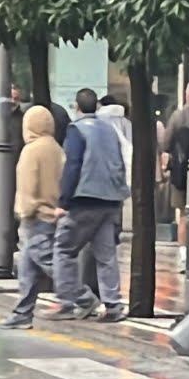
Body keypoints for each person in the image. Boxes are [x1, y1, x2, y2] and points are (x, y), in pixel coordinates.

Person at [48, 88, 131, 322]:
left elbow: (73, 165)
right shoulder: (110, 130)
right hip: (111, 199)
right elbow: (120, 161)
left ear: (76, 106)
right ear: (96, 106)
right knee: (106, 255)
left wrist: (64, 202)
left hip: (85, 199)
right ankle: (113, 305)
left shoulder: (76, 130)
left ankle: (69, 301)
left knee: (64, 249)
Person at [0, 105, 65, 329]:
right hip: (53, 213)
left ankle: (82, 297)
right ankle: (22, 313)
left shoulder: (31, 151)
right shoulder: (57, 149)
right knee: (28, 269)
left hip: (36, 216)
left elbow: (27, 185)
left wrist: (25, 211)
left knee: (50, 262)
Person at [162, 81, 189, 266]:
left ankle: (184, 254)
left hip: (181, 173)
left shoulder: (178, 116)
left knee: (183, 214)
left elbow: (165, 143)